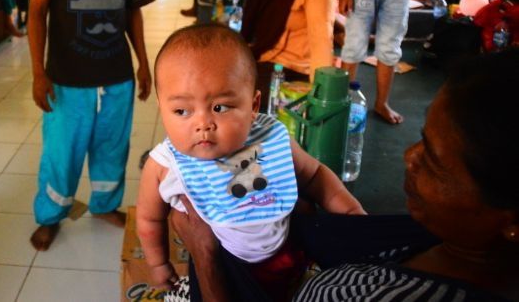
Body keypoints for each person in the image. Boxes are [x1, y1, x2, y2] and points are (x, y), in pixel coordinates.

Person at [169, 49, 519, 302]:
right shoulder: (440, 238)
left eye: (433, 160)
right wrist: (353, 226)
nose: (409, 156)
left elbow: (316, 173)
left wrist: (205, 257)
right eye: (421, 139)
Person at [137, 24, 364, 296]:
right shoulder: (164, 165)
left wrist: (352, 215)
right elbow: (149, 220)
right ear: (162, 108)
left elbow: (315, 176)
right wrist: (159, 264)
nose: (203, 124)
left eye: (220, 107)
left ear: (254, 106)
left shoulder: (270, 138)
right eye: (182, 110)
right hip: (223, 268)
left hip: (289, 254)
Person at [27, 0, 155, 251]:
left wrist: (143, 62)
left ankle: (104, 205)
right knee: (62, 151)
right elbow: (36, 11)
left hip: (116, 72)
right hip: (68, 74)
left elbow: (133, 7)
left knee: (113, 145)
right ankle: (50, 215)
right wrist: (38, 72)